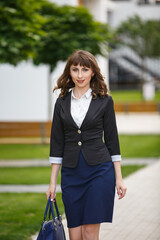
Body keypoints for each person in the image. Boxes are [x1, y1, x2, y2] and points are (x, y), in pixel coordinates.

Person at [46, 50, 127, 240]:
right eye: (75, 70)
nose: (80, 75)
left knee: (89, 233)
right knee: (75, 235)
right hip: (71, 174)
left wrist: (119, 178)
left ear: (93, 72)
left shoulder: (105, 100)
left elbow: (112, 140)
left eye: (85, 69)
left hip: (99, 171)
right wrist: (52, 183)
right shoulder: (61, 102)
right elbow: (57, 143)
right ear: (69, 72)